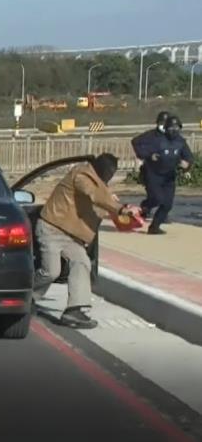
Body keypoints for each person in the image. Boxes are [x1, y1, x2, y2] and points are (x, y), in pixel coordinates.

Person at [33, 153, 141, 329]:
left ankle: (74, 310)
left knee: (82, 262)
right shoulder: (82, 175)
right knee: (51, 271)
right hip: (51, 228)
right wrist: (121, 209)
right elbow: (93, 194)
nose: (110, 174)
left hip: (71, 237)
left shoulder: (99, 185)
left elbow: (100, 198)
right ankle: (28, 297)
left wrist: (117, 209)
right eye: (109, 171)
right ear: (100, 168)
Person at [132, 114, 193, 234]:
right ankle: (145, 206)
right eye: (171, 128)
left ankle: (154, 227)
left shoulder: (180, 142)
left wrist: (187, 165)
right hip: (154, 174)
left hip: (169, 177)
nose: (173, 131)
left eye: (176, 128)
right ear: (166, 128)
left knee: (167, 204)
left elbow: (189, 157)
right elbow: (139, 145)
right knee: (157, 198)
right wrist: (149, 155)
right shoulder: (156, 139)